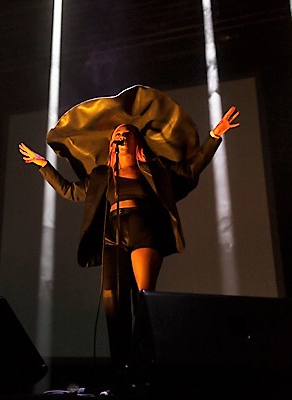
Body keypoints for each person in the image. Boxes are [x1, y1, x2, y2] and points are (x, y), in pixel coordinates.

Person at [19, 87, 240, 371]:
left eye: (125, 134)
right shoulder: (101, 175)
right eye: (115, 136)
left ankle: (143, 365)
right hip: (112, 235)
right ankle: (120, 370)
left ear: (137, 142)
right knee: (113, 303)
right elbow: (70, 191)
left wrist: (215, 136)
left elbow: (191, 169)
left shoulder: (155, 168)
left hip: (143, 231)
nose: (119, 138)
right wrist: (43, 165)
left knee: (143, 298)